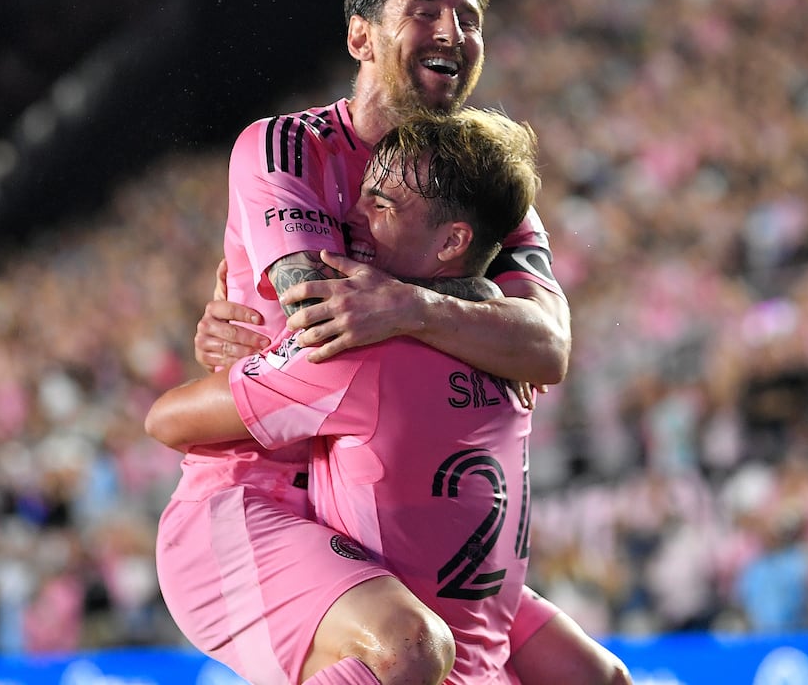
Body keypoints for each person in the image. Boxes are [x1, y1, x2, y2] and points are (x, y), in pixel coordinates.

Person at [170, 0, 630, 684]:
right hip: (265, 500)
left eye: (469, 18)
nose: (452, 30)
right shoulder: (289, 148)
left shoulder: (485, 188)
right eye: (424, 10)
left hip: (402, 521)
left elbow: (546, 346)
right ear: (361, 38)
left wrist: (417, 310)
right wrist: (478, 311)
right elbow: (324, 319)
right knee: (408, 649)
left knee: (596, 680)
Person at [152, 108, 543, 683]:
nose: (353, 218)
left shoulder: (386, 340)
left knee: (582, 672)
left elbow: (165, 418)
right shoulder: (489, 343)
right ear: (362, 36)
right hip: (243, 514)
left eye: (381, 205)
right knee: (412, 647)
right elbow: (550, 346)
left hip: (355, 545)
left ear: (453, 241)